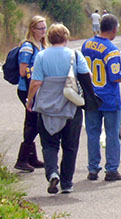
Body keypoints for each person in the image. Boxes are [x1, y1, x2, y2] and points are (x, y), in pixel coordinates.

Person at [81, 14, 121, 182]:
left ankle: (93, 168)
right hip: (109, 98)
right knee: (111, 135)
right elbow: (115, 76)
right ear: (114, 29)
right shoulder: (111, 50)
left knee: (93, 134)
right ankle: (111, 169)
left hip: (91, 97)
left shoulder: (86, 45)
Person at [26, 23, 89, 195]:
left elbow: (36, 82)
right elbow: (87, 77)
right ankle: (67, 183)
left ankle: (52, 173)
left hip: (46, 107)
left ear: (50, 38)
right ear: (66, 37)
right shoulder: (75, 55)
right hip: (70, 106)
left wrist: (30, 100)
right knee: (70, 146)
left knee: (49, 144)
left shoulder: (41, 56)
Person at [14, 15, 48, 173]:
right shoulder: (28, 47)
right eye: (40, 28)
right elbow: (23, 71)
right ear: (32, 29)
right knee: (34, 122)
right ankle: (22, 159)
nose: (44, 31)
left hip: (36, 89)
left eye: (45, 28)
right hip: (27, 89)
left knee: (32, 121)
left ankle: (31, 157)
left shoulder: (41, 45)